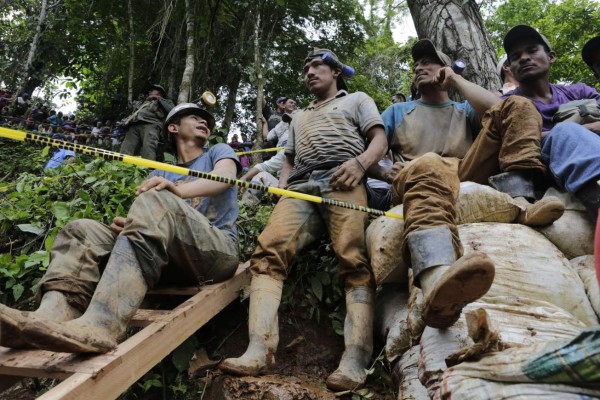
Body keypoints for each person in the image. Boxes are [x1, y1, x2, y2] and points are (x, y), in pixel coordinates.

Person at [0, 103, 242, 353]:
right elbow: (151, 215)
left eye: (206, 121)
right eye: (195, 117)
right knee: (81, 230)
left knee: (158, 200)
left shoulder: (217, 151)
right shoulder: (160, 171)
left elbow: (226, 177)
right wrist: (130, 226)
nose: (204, 122)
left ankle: (102, 324)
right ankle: (50, 315)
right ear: (173, 127)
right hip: (168, 260)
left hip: (217, 252)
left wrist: (176, 192)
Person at [220, 48, 388, 391]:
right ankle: (259, 348)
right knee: (268, 252)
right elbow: (289, 158)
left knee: (352, 257)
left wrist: (359, 165)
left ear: (336, 72)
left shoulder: (357, 99)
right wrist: (282, 187)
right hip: (300, 186)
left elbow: (379, 140)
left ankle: (356, 356)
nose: (310, 72)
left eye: (317, 66)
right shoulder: (297, 118)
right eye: (306, 67)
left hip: (343, 178)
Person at [374, 39, 564, 334]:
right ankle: (436, 281)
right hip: (418, 174)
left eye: (429, 62)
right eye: (417, 65)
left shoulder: (464, 109)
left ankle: (522, 202)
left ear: (445, 69)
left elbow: (502, 108)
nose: (420, 67)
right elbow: (372, 153)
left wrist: (456, 80)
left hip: (463, 170)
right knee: (429, 162)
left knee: (520, 104)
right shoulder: (398, 111)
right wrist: (386, 172)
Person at [502, 25, 600, 218]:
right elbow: (513, 142)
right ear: (510, 68)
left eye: (532, 50)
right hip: (548, 169)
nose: (523, 58)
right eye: (515, 56)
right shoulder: (508, 103)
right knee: (565, 132)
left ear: (551, 56)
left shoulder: (579, 91)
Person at [120, 84, 174, 160]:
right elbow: (134, 113)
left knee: (148, 148)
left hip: (151, 125)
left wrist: (158, 98)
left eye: (152, 90)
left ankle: (147, 170)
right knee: (127, 147)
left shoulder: (166, 101)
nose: (149, 91)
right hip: (135, 124)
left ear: (159, 92)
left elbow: (171, 110)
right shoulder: (143, 102)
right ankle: (121, 168)